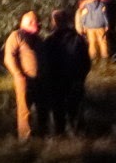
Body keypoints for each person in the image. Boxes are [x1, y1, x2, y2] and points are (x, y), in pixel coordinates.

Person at [38, 8, 91, 136]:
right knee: (75, 108)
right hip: (75, 79)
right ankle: (77, 134)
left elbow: (44, 62)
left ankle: (60, 134)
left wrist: (46, 79)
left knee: (58, 109)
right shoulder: (78, 39)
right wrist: (81, 77)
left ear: (54, 22)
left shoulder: (50, 40)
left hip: (56, 81)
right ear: (67, 21)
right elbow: (86, 61)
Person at [3, 10, 43, 140]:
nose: (39, 25)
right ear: (30, 23)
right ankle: (25, 138)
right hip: (24, 80)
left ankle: (43, 135)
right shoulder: (16, 36)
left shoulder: (37, 39)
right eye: (36, 22)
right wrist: (18, 74)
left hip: (40, 80)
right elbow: (9, 57)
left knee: (42, 108)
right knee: (25, 110)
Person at [75, 0, 110, 65]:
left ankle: (93, 59)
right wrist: (107, 25)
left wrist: (83, 25)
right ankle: (104, 59)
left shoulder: (86, 6)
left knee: (92, 43)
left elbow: (84, 16)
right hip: (100, 26)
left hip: (89, 26)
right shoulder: (102, 4)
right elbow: (104, 15)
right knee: (102, 43)